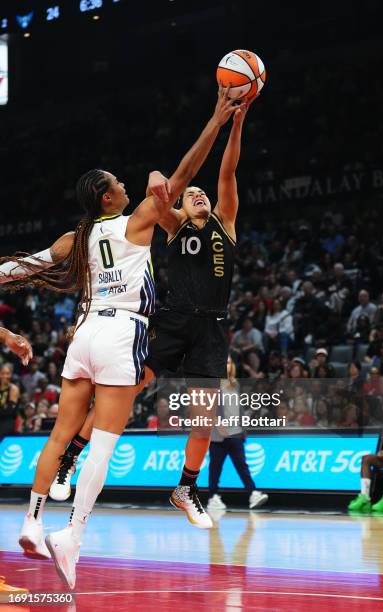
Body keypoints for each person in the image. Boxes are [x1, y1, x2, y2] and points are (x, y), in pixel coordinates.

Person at [0, 87, 238, 589]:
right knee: (105, 445)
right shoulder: (138, 222)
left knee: (60, 435)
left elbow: (25, 266)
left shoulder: (75, 237)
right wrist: (216, 120)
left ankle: (30, 521)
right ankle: (73, 535)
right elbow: (184, 176)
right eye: (119, 184)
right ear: (108, 197)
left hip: (82, 333)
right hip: (122, 331)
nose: (126, 185)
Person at [45, 92, 254, 530]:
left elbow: (228, 170)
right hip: (169, 320)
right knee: (124, 393)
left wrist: (237, 124)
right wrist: (159, 175)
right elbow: (166, 186)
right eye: (191, 194)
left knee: (204, 422)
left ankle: (186, 488)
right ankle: (69, 459)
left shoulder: (227, 223)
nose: (198, 195)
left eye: (203, 194)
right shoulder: (173, 224)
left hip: (211, 329)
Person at [207, 356, 268, 511]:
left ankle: (253, 493)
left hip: (235, 433)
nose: (225, 365)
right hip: (218, 435)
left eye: (228, 362)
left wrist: (243, 429)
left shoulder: (235, 384)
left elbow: (238, 409)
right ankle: (213, 497)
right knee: (215, 468)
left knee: (242, 465)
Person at [0, 363, 21, 436]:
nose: (5, 376)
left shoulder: (13, 389)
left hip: (8, 420)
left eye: (7, 373)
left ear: (11, 374)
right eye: (2, 373)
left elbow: (9, 410)